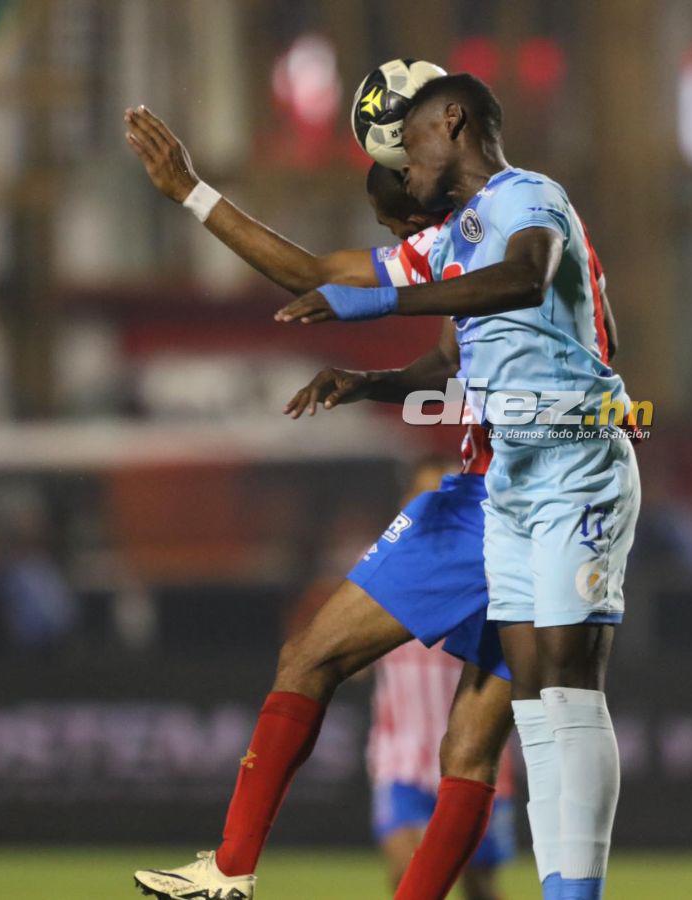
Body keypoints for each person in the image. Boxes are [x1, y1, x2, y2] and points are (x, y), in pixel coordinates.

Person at [122, 103, 619, 900]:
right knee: (476, 748)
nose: (401, 213)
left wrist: (195, 193)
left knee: (318, 659)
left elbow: (504, 286)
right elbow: (453, 335)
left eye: (406, 180)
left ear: (445, 139)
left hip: (518, 491)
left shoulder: (514, 211)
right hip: (527, 483)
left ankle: (233, 869)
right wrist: (375, 383)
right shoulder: (482, 245)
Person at [277, 73, 640, 900]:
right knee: (539, 701)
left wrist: (374, 307)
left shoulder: (527, 198)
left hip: (576, 457)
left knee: (567, 683)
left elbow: (526, 277)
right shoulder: (461, 233)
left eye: (414, 142)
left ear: (453, 120)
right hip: (506, 473)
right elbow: (444, 350)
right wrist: (193, 194)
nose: (406, 163)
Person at [368, 456, 517, 900]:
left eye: (447, 494)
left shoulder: (494, 569)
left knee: (478, 885)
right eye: (427, 495)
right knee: (408, 872)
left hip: (473, 750)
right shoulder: (378, 562)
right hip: (400, 757)